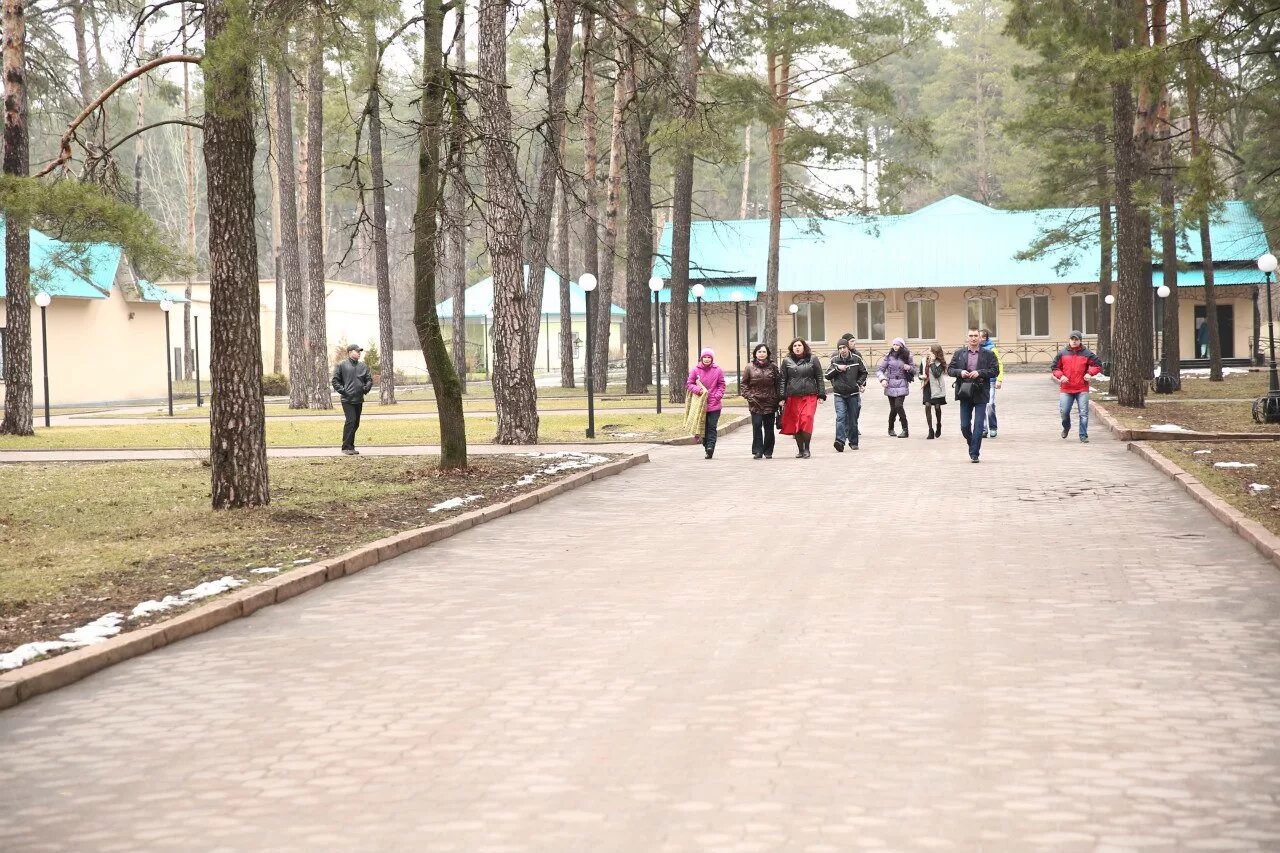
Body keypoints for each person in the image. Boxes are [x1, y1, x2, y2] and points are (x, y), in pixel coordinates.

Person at [947, 329, 1000, 463]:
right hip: (964, 392)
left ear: (980, 338)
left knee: (978, 425)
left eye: (976, 336)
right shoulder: (959, 353)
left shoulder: (988, 354)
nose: (973, 338)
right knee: (964, 426)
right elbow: (950, 370)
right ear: (967, 338)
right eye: (971, 336)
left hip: (981, 392)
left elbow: (995, 370)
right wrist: (960, 372)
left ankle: (974, 453)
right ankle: (972, 444)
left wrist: (980, 373)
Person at [1052, 330, 1103, 443]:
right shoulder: (1062, 353)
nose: (1074, 342)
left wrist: (1089, 373)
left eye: (1076, 340)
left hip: (1081, 388)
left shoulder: (1087, 353)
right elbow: (1055, 368)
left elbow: (1098, 365)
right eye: (1072, 339)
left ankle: (1083, 435)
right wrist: (1061, 376)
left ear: (1080, 341)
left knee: (1083, 413)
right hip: (1066, 388)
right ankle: (1066, 427)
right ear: (1069, 340)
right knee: (1064, 412)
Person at [779, 337, 826, 458]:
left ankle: (807, 448)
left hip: (809, 395)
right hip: (793, 396)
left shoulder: (813, 359)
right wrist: (782, 397)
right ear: (792, 348)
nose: (797, 348)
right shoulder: (787, 361)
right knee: (797, 423)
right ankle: (800, 450)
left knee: (807, 418)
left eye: (799, 345)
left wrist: (821, 394)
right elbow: (783, 380)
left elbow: (819, 377)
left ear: (804, 347)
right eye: (795, 346)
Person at [825, 335, 868, 451]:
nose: (842, 350)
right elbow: (827, 375)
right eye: (840, 348)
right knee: (840, 417)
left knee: (853, 420)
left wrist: (859, 383)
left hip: (853, 394)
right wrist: (838, 369)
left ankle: (853, 442)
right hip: (839, 394)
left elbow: (864, 373)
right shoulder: (834, 360)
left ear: (848, 348)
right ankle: (839, 441)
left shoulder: (856, 359)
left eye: (844, 347)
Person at [740, 343, 781, 459]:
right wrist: (749, 396)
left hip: (770, 401)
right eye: (759, 352)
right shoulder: (749, 367)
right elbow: (744, 384)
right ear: (755, 354)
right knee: (757, 426)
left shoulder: (773, 367)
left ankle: (768, 451)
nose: (762, 354)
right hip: (755, 402)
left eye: (764, 352)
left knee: (769, 427)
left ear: (767, 354)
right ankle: (758, 450)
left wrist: (780, 399)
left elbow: (778, 384)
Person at [332, 344, 373, 455]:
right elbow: (335, 381)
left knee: (356, 423)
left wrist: (365, 388)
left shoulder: (363, 366)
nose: (359, 353)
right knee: (351, 421)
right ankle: (345, 447)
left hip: (359, 399)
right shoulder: (342, 365)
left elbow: (369, 379)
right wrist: (344, 391)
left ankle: (351, 447)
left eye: (360, 351)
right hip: (347, 399)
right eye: (357, 351)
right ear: (350, 352)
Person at [686, 348, 726, 459]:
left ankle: (710, 447)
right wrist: (698, 390)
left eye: (709, 357)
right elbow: (689, 384)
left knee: (712, 426)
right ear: (701, 358)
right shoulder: (695, 370)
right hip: (700, 404)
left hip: (714, 404)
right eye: (705, 357)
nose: (707, 359)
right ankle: (706, 445)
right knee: (704, 427)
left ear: (712, 359)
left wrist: (717, 396)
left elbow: (721, 385)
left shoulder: (717, 370)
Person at [876, 338, 916, 438]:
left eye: (897, 344)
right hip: (890, 384)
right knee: (893, 409)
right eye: (893, 344)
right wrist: (882, 380)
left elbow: (914, 371)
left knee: (898, 406)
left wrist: (909, 368)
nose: (895, 346)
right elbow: (880, 370)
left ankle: (905, 430)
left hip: (902, 383)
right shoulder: (888, 356)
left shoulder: (907, 356)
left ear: (901, 346)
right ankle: (891, 428)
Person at [921, 344, 949, 439]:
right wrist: (921, 377)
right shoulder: (924, 361)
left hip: (937, 388)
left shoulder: (940, 362)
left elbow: (937, 374)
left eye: (930, 351)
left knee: (937, 407)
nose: (928, 352)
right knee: (928, 406)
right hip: (927, 387)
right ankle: (930, 430)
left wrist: (932, 362)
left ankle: (939, 424)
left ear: (935, 353)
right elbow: (920, 373)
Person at [980, 329, 1004, 438]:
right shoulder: (976, 349)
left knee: (989, 405)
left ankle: (993, 427)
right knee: (981, 405)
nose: (976, 338)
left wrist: (999, 379)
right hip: (979, 382)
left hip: (990, 381)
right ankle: (984, 429)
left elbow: (999, 364)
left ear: (985, 338)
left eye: (979, 337)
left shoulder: (992, 349)